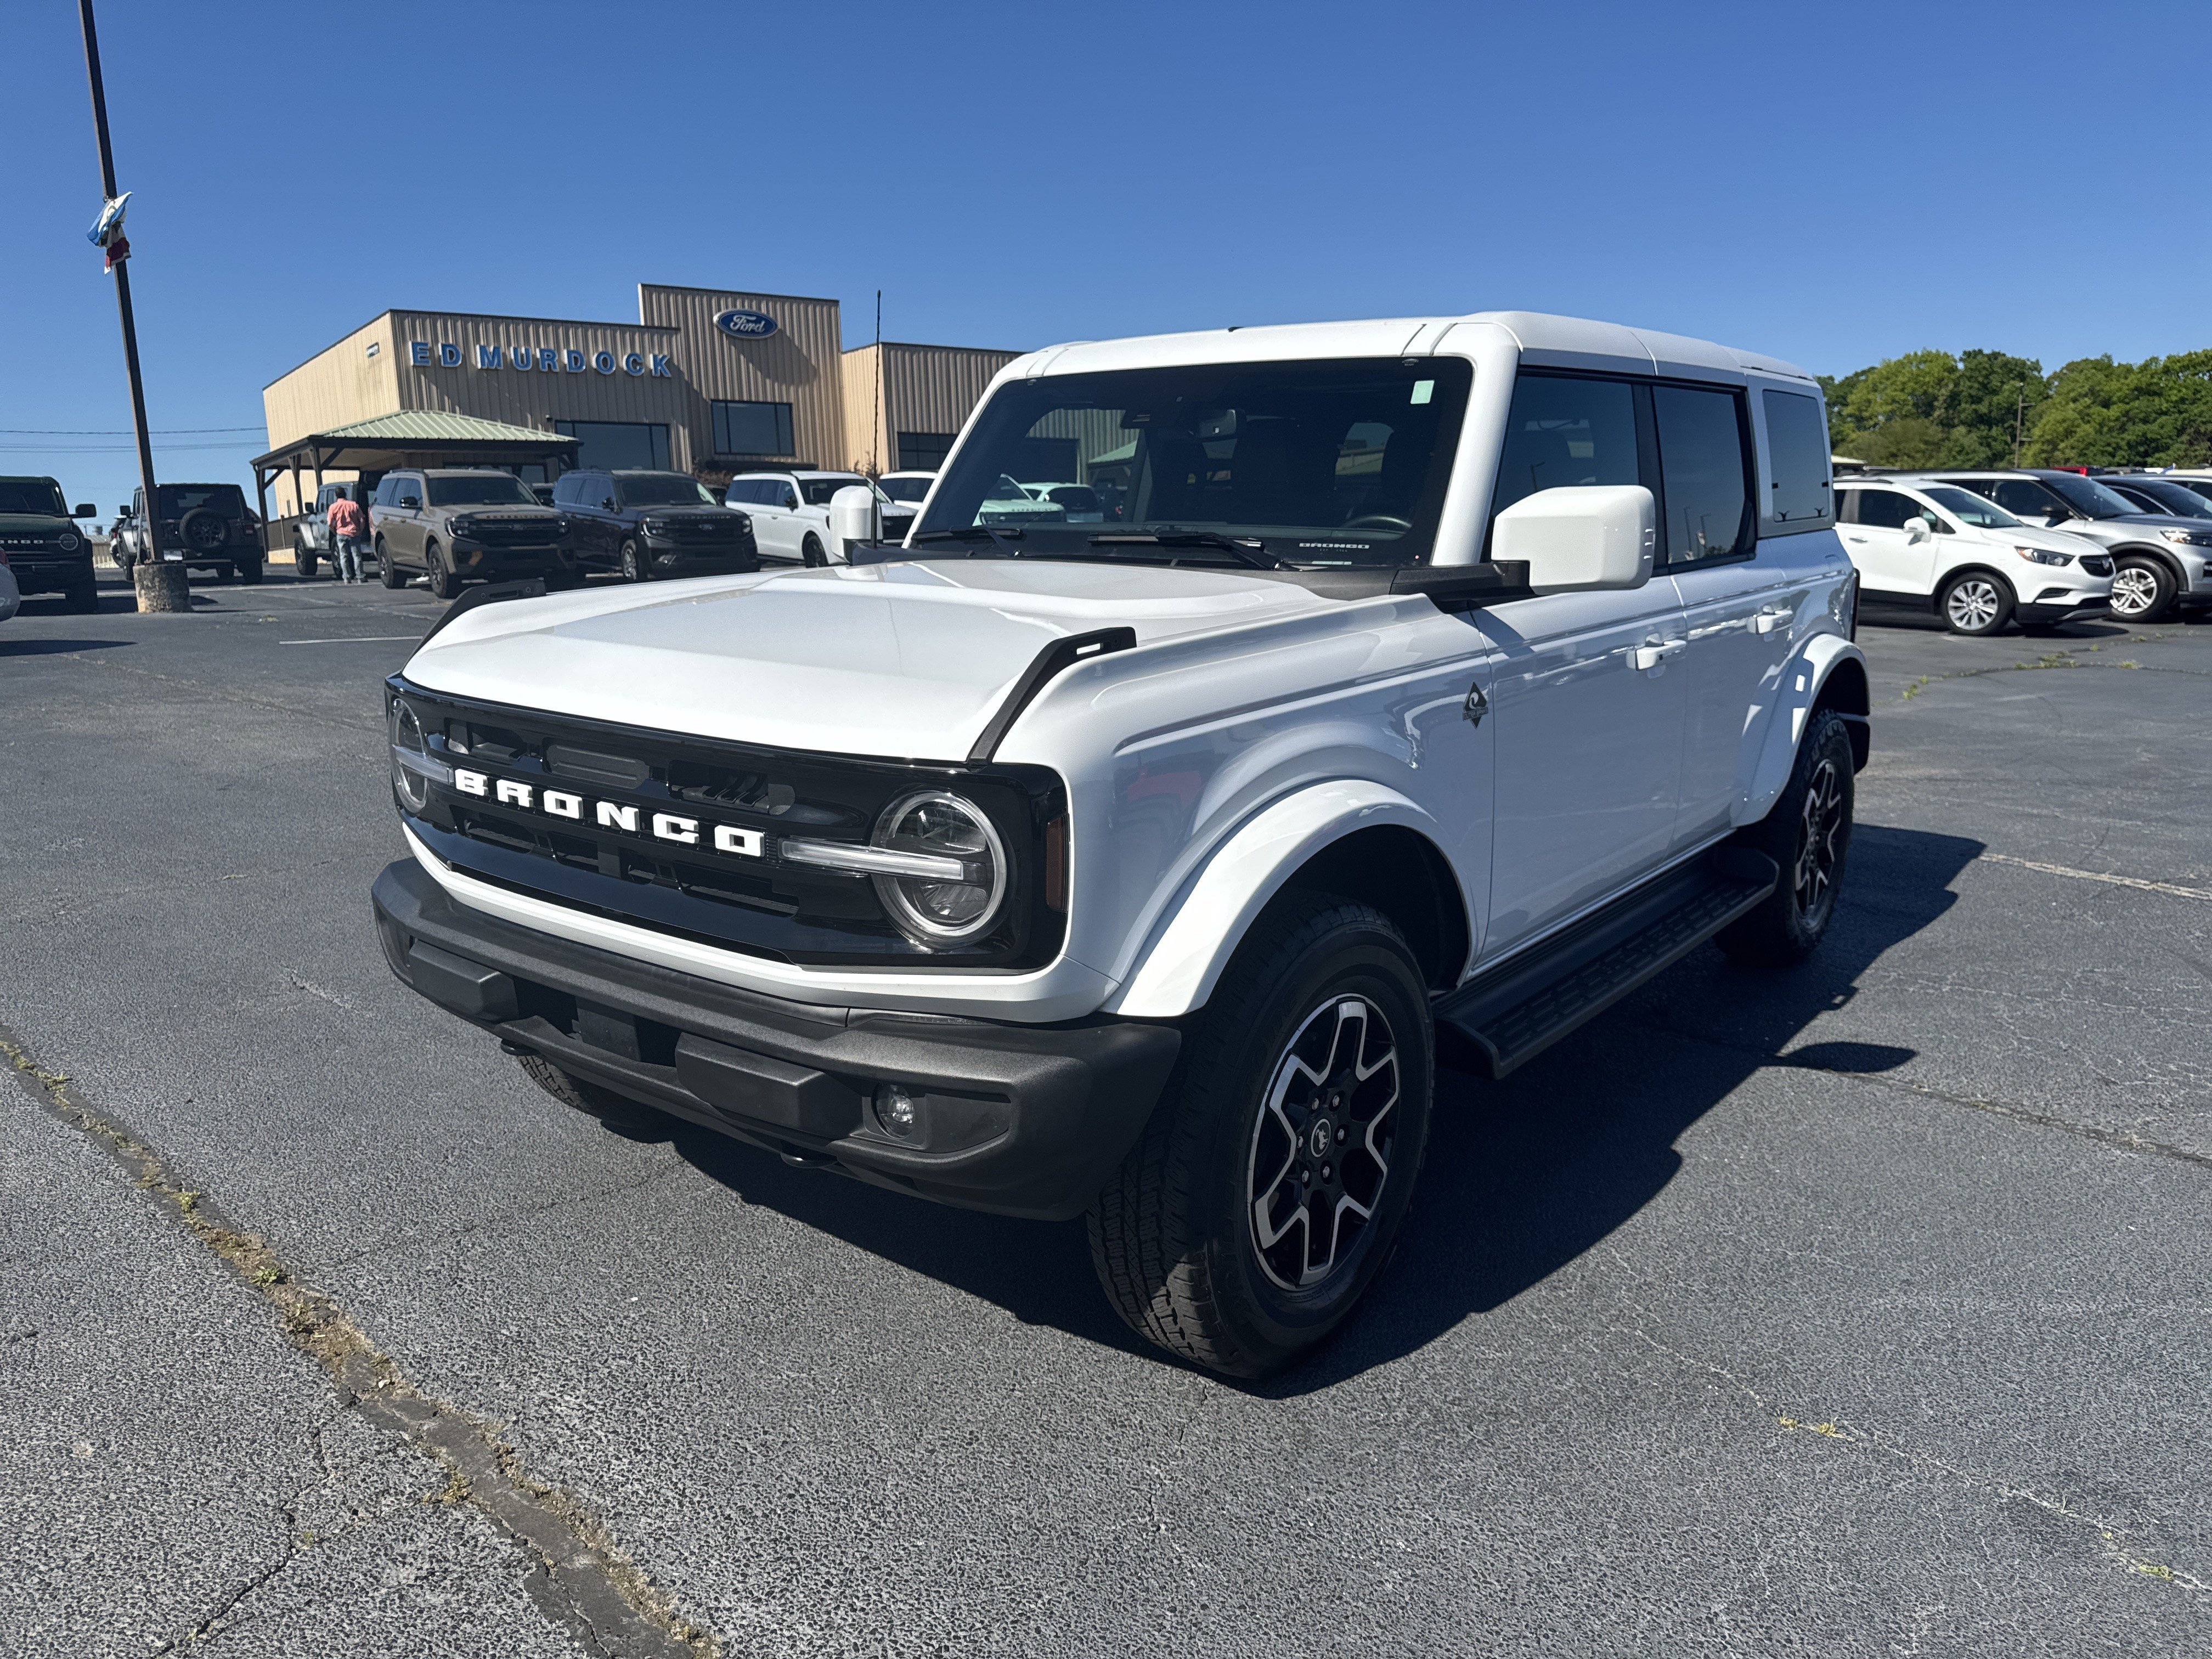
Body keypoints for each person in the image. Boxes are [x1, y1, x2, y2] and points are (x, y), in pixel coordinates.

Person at [325, 489, 369, 584]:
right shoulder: (354, 505)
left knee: (343, 556)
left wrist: (335, 531)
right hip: (354, 533)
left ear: (336, 496)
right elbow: (362, 520)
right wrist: (360, 531)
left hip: (341, 533)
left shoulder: (333, 507)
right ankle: (360, 576)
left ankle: (347, 577)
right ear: (345, 494)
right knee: (357, 556)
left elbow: (329, 523)